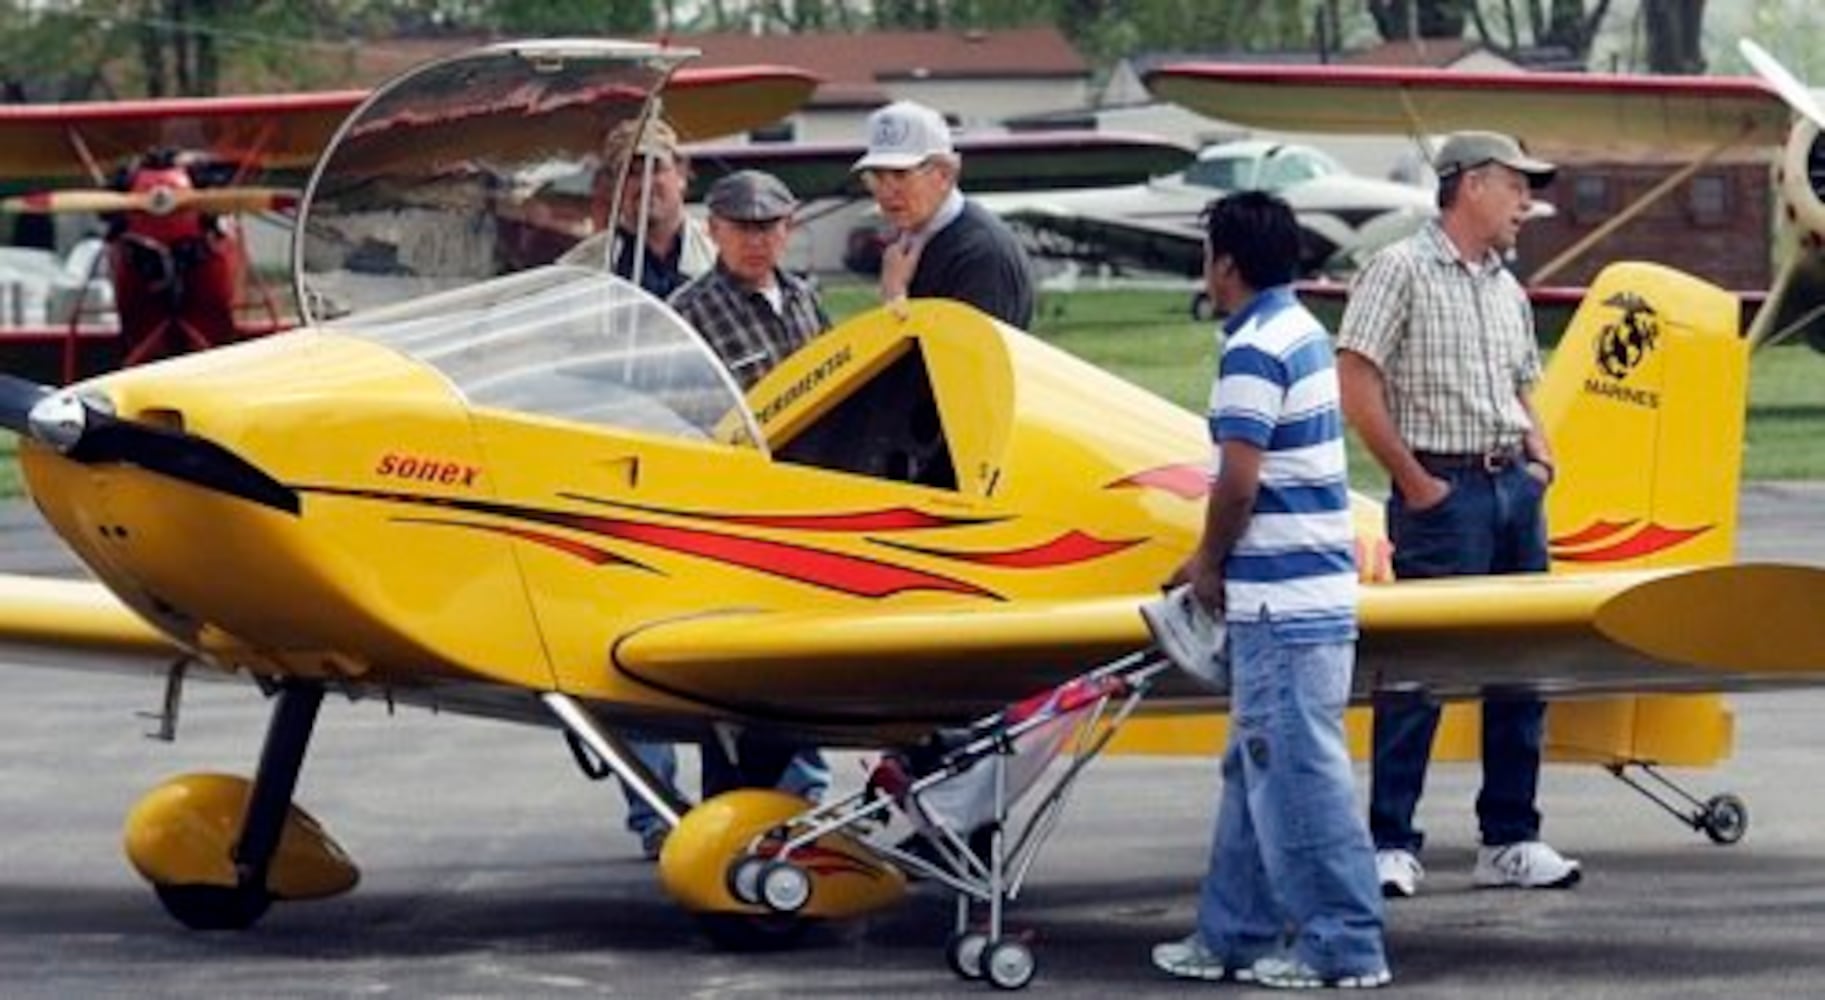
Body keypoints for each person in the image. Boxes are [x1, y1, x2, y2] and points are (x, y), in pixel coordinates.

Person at [1151, 190, 1389, 990]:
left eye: (1207, 254)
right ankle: (1232, 935)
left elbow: (1238, 482)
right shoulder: (1302, 332)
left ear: (1224, 262)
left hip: (1279, 608)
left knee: (1297, 776)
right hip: (1307, 599)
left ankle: (1343, 945)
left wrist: (1206, 562)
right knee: (1255, 769)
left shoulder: (1252, 347)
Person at [1335, 131, 1579, 899]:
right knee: (1418, 672)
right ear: (1470, 185)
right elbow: (1355, 380)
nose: (1525, 204)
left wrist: (1539, 459)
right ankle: (1389, 843)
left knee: (1521, 669)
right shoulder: (1396, 270)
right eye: (1514, 187)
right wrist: (1410, 481)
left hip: (1513, 491)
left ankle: (1509, 837)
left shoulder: (1505, 288)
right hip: (1442, 495)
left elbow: (1519, 386)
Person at [850, 100, 1034, 328]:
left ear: (945, 175)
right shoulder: (912, 241)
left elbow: (965, 357)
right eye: (877, 176)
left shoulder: (981, 254)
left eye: (900, 175)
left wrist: (894, 297)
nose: (886, 191)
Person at [669, 170, 832, 387]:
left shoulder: (805, 297)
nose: (755, 242)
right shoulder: (685, 313)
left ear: (788, 228)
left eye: (766, 227)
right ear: (713, 230)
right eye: (742, 228)